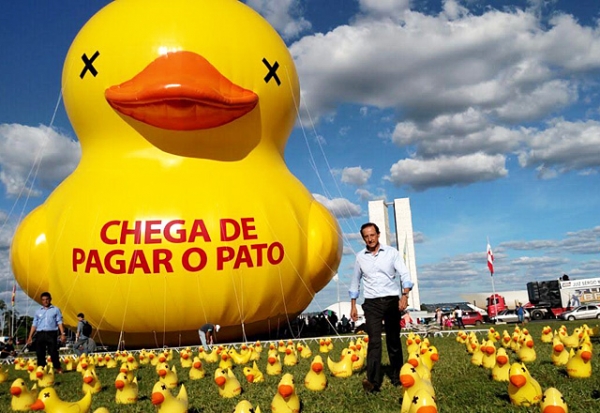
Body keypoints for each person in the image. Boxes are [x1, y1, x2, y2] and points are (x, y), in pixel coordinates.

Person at [349, 222, 413, 393]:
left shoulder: (392, 253)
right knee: (374, 342)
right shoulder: (360, 257)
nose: (370, 239)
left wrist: (405, 295)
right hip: (371, 303)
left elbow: (405, 274)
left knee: (393, 339)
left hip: (392, 300)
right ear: (363, 238)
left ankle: (398, 376)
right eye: (366, 236)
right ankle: (373, 382)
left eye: (372, 235)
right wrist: (353, 305)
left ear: (378, 235)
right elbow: (355, 282)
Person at [26, 292, 66, 373]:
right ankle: (41, 368)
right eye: (43, 300)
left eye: (47, 299)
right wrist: (30, 336)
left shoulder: (56, 310)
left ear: (50, 299)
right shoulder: (38, 311)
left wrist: (62, 334)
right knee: (40, 352)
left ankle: (58, 367)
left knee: (53, 351)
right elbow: (34, 324)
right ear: (41, 301)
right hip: (40, 334)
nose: (45, 301)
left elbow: (59, 322)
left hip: (51, 333)